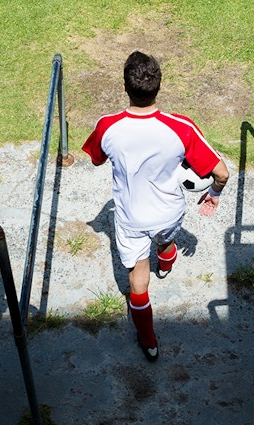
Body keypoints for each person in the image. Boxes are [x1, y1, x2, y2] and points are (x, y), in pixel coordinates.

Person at [82, 50, 229, 362]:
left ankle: (148, 341)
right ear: (159, 87)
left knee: (138, 279)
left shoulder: (107, 126)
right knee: (165, 240)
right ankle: (167, 263)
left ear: (125, 87)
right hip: (168, 212)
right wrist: (214, 193)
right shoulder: (182, 127)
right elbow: (221, 173)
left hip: (130, 218)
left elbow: (96, 159)